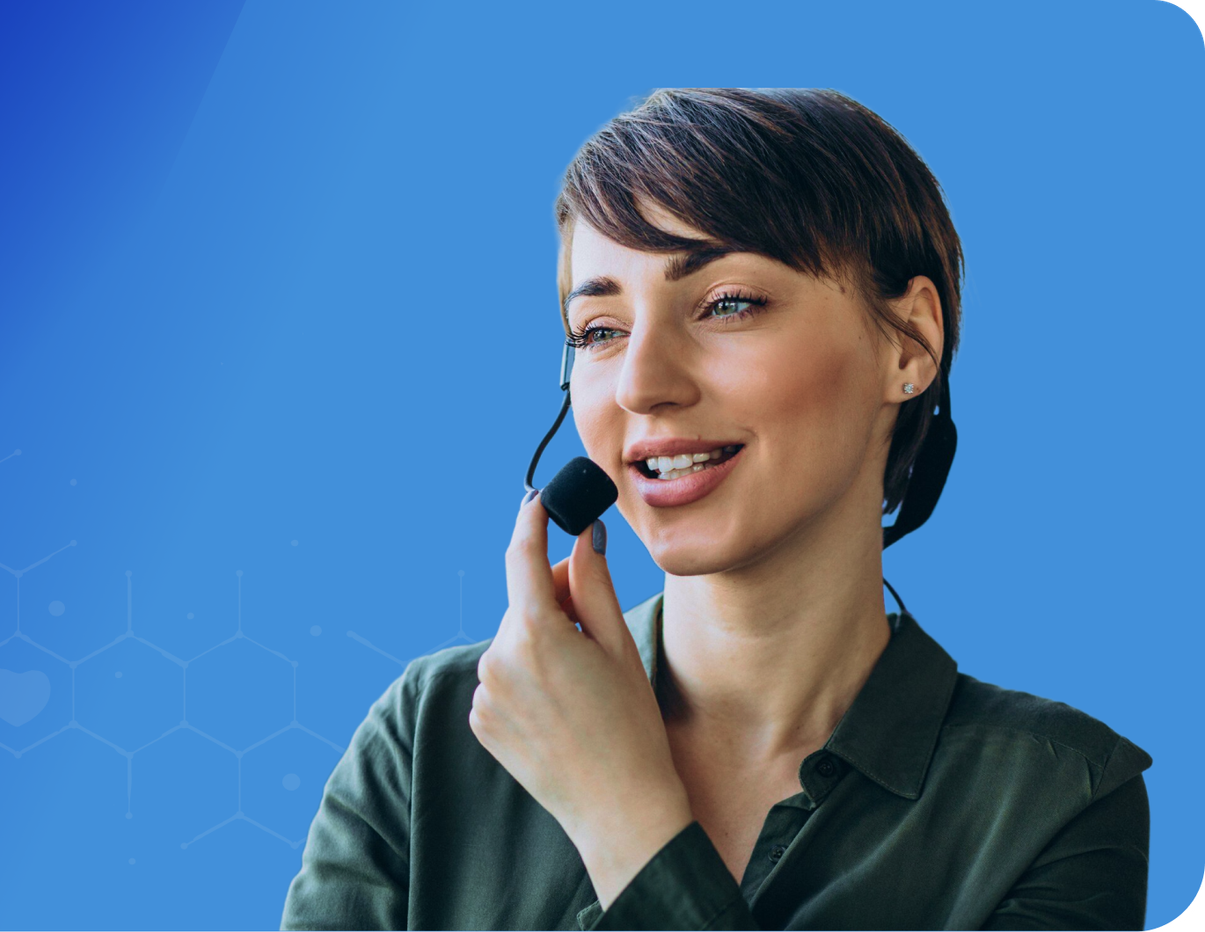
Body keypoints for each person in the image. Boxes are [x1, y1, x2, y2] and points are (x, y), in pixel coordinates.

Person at [279, 88, 1151, 931]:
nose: (641, 384)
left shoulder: (1056, 802)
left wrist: (623, 815)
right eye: (599, 331)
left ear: (909, 343)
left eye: (727, 304)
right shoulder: (432, 735)